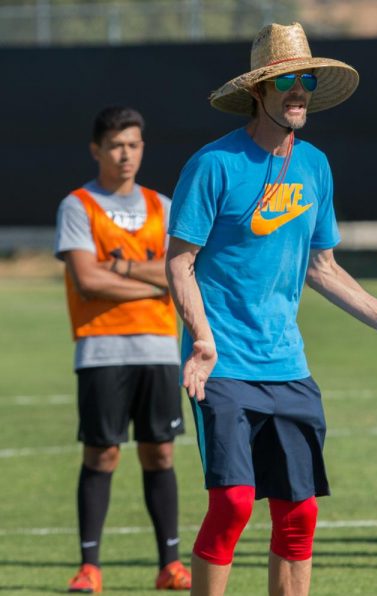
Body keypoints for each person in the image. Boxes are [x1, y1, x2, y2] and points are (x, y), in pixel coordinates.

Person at [165, 22, 377, 596]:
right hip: (222, 363)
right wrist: (201, 337)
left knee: (298, 516)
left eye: (307, 80)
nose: (300, 90)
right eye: (288, 81)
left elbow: (322, 267)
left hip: (288, 367)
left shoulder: (315, 166)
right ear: (259, 91)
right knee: (232, 505)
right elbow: (179, 263)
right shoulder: (214, 164)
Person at [55, 106, 192, 592]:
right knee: (103, 454)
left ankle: (170, 565)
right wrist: (157, 282)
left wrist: (126, 270)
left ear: (143, 148)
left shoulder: (164, 205)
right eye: (115, 145)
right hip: (100, 350)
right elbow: (87, 280)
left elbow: (185, 274)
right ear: (97, 150)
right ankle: (90, 566)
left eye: (133, 144)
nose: (125, 153)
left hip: (158, 349)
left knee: (160, 454)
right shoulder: (77, 205)